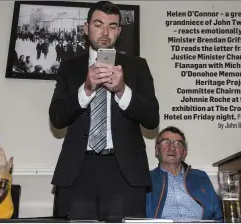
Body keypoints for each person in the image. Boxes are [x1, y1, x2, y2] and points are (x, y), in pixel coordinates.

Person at [49, 1, 159, 221]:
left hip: (124, 173)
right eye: (98, 24)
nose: (105, 32)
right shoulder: (69, 67)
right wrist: (87, 88)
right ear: (86, 27)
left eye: (112, 26)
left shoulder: (138, 66)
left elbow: (152, 118)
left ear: (119, 31)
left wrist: (122, 90)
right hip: (77, 172)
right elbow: (57, 118)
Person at [146, 126, 223, 221]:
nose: (172, 148)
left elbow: (219, 216)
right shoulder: (146, 179)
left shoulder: (200, 177)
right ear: (157, 150)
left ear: (184, 153)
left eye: (178, 144)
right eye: (166, 142)